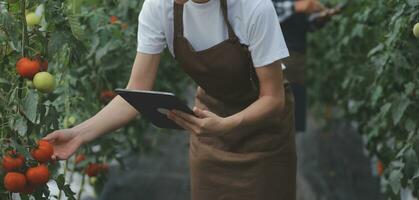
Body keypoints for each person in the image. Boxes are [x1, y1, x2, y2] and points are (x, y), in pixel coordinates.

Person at [45, 0, 296, 199]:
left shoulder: (253, 7)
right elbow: (136, 92)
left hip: (264, 132)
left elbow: (273, 98)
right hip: (210, 126)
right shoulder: (158, 8)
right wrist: (78, 134)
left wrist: (228, 125)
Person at [272, 0, 332, 133]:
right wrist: (296, 7)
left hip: (297, 61)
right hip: (275, 58)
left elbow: (305, 24)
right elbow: (261, 12)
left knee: (293, 120)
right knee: (275, 116)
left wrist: (319, 18)